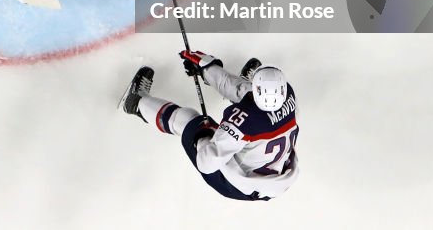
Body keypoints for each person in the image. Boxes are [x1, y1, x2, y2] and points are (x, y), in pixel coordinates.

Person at [120, 53, 299, 201]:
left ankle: (136, 103)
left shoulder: (242, 123)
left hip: (236, 184)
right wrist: (207, 70)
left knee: (189, 119)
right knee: (244, 97)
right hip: (275, 181)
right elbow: (243, 92)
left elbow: (206, 163)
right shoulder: (288, 96)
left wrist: (203, 137)